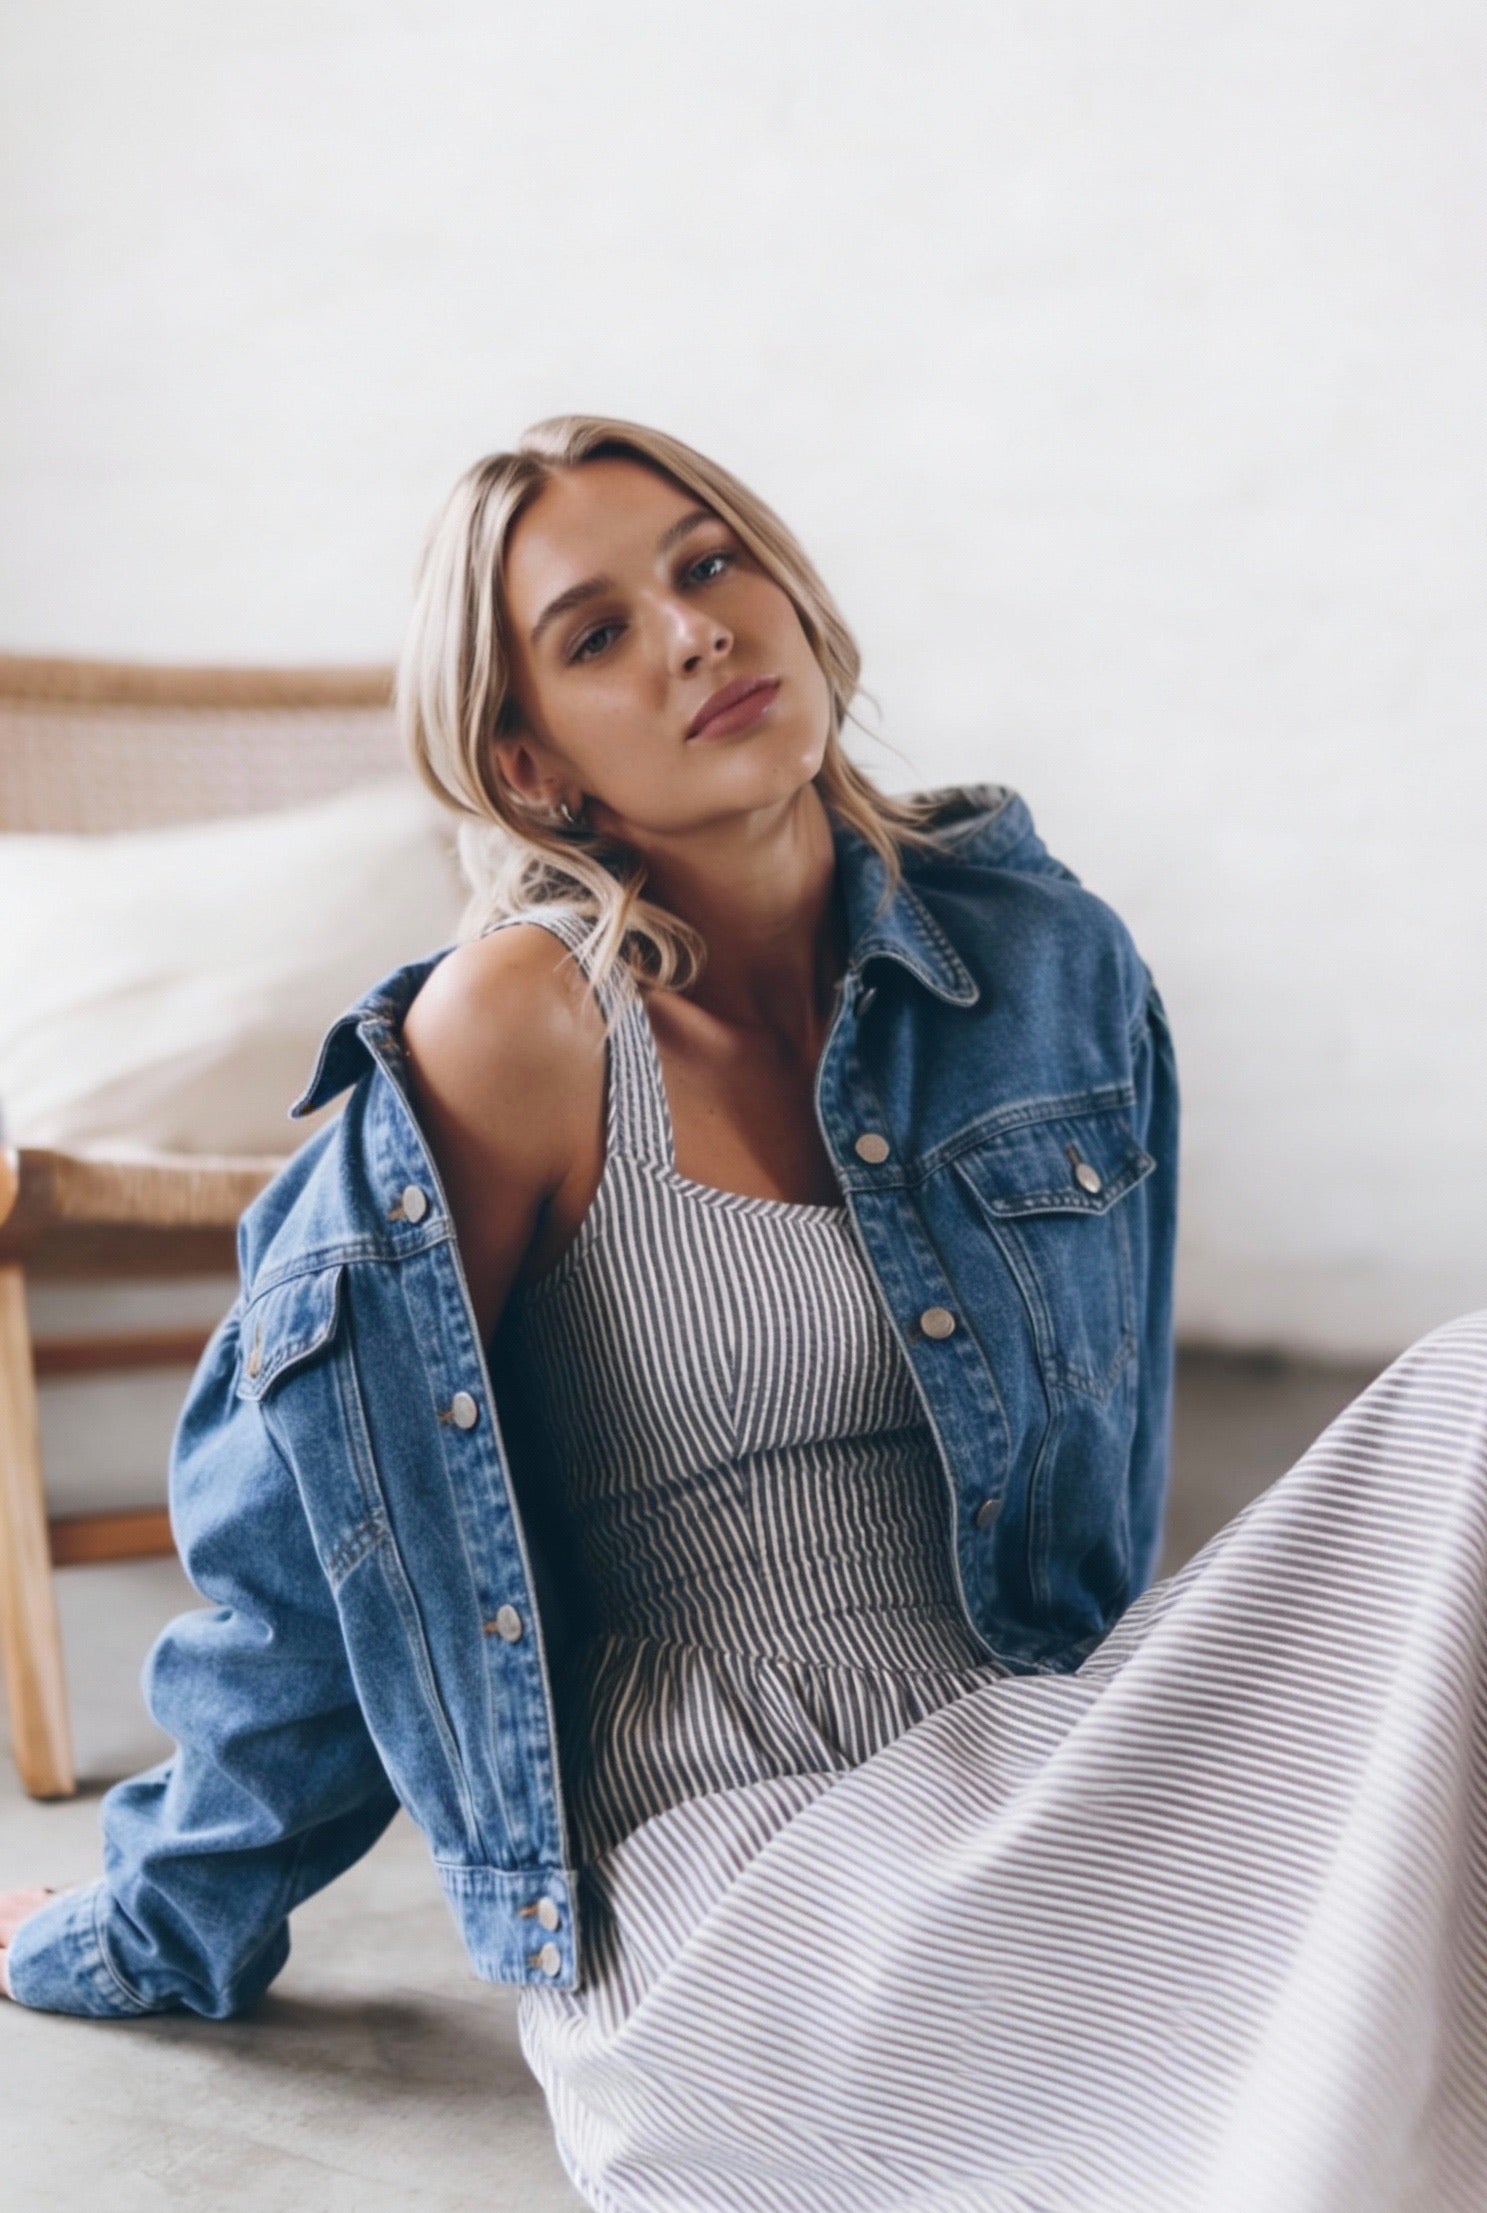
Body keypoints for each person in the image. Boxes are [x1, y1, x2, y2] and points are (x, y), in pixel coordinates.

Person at [4, 416, 1486, 2213]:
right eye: (598, 632)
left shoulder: (1044, 966)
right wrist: (156, 1918)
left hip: (1037, 1771)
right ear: (531, 761)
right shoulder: (517, 1032)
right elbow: (315, 1549)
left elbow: (1107, 1479)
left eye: (709, 564)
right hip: (746, 1869)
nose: (695, 630)